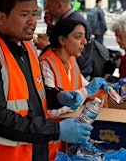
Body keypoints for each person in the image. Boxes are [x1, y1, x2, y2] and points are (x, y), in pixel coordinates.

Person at [0, 0, 93, 161]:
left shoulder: (26, 46)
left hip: (33, 151)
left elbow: (31, 93)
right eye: (24, 15)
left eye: (34, 14)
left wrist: (57, 96)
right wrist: (57, 130)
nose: (32, 21)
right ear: (2, 18)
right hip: (2, 156)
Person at [39, 18, 108, 158]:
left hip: (68, 143)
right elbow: (49, 108)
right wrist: (85, 92)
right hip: (51, 141)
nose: (84, 42)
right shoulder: (46, 64)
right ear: (62, 40)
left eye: (84, 37)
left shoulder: (72, 61)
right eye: (78, 37)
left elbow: (85, 86)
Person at [34, 0, 93, 78]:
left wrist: (46, 48)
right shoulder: (66, 19)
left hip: (79, 72)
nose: (46, 9)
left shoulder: (75, 22)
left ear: (59, 6)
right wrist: (50, 26)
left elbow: (70, 50)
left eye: (49, 6)